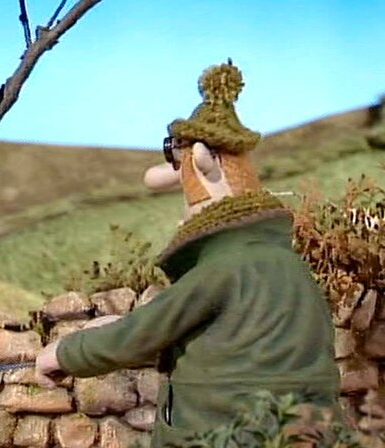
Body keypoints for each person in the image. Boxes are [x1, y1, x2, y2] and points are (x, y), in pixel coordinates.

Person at [34, 60, 342, 447]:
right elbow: (219, 341)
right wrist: (114, 326)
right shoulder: (286, 265)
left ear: (200, 159)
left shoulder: (225, 265)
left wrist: (64, 354)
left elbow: (146, 332)